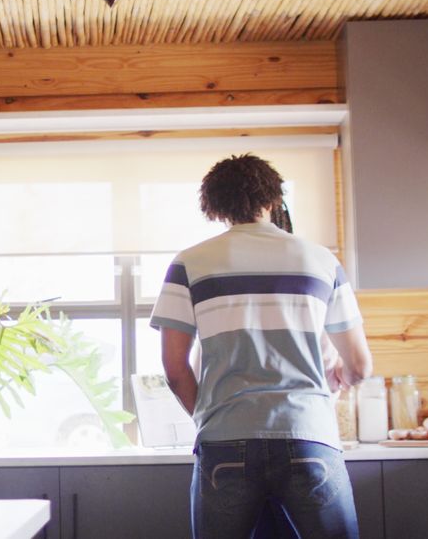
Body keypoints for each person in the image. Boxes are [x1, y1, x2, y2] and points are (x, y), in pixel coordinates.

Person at [151, 153, 374, 539]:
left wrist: (208, 416)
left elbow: (174, 368)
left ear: (216, 207)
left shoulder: (190, 263)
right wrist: (336, 379)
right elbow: (359, 366)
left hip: (224, 438)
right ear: (273, 199)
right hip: (309, 434)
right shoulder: (321, 260)